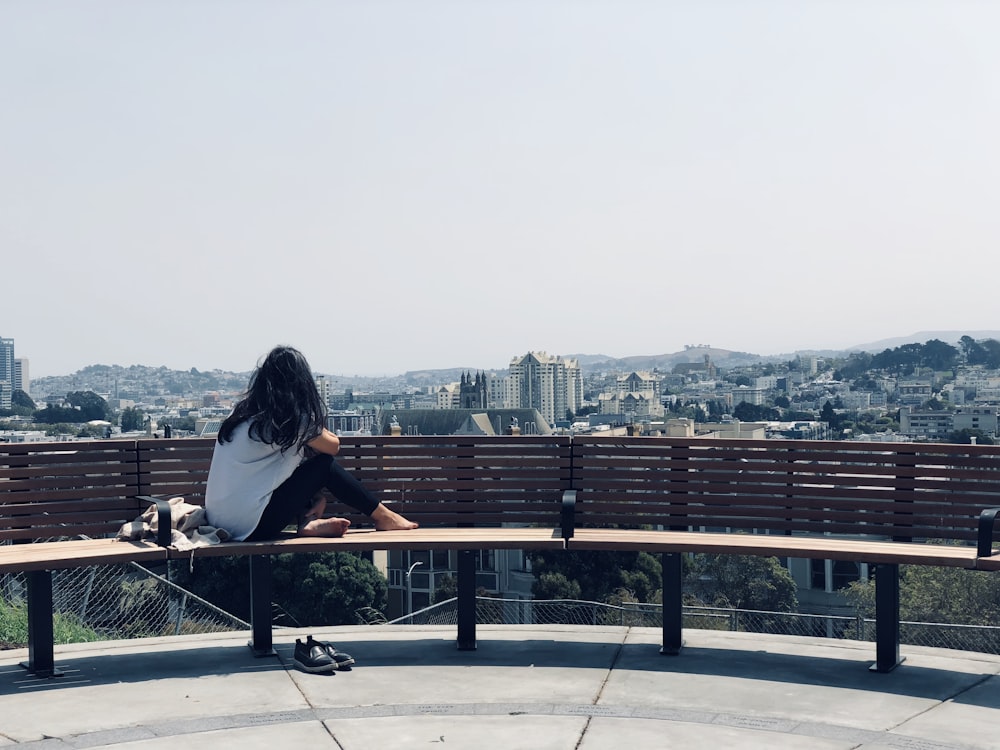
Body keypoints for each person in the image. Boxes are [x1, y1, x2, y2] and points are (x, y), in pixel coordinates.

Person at [205, 345, 418, 542]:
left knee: (304, 465)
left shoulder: (242, 413)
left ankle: (308, 523)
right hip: (252, 527)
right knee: (323, 465)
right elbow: (333, 446)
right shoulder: (288, 420)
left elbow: (273, 473)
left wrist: (315, 494)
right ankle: (384, 516)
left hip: (219, 521)